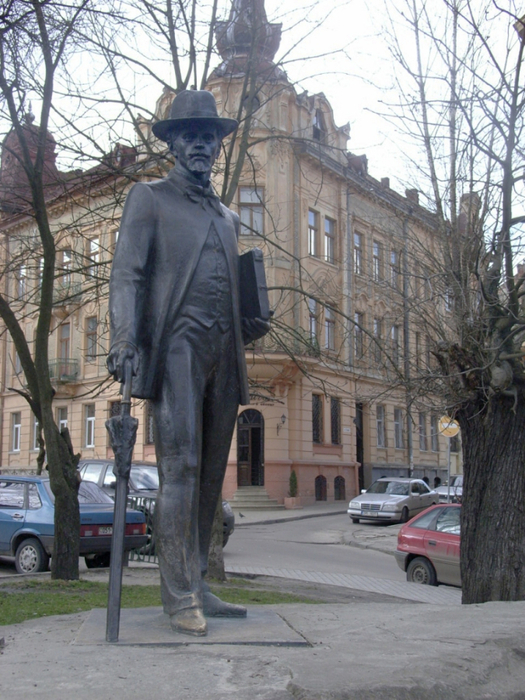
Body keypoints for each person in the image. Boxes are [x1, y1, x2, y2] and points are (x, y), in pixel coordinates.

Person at [107, 90, 269, 636]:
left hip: (225, 351)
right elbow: (127, 274)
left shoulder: (226, 217)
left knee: (209, 478)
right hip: (176, 344)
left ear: (218, 147)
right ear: (174, 142)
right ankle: (177, 596)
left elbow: (225, 284)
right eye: (192, 135)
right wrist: (125, 338)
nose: (202, 144)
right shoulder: (147, 198)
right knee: (181, 469)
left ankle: (197, 580)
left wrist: (249, 320)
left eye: (210, 137)